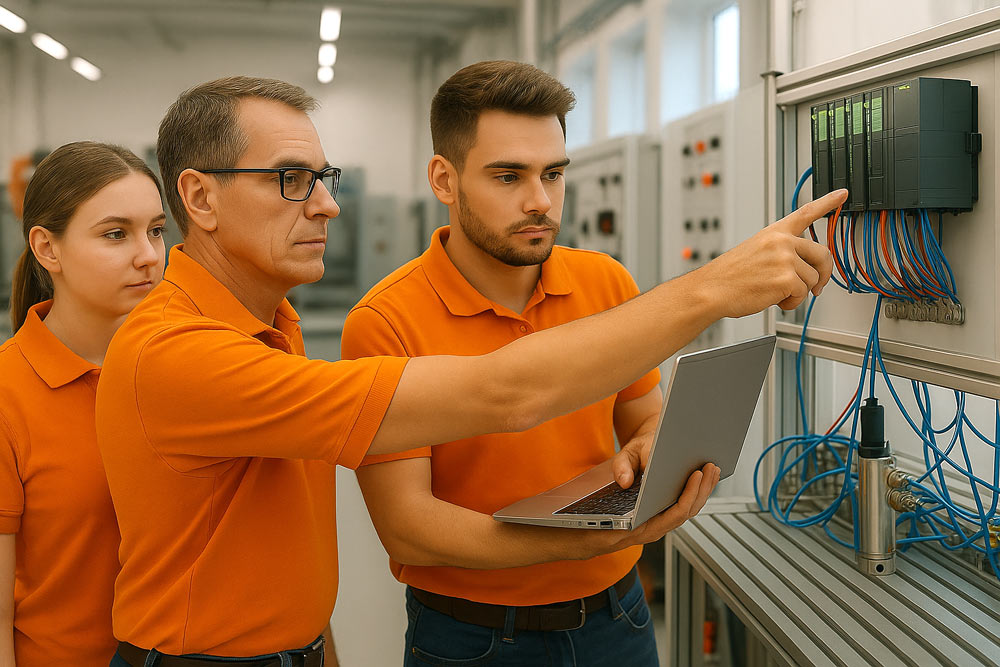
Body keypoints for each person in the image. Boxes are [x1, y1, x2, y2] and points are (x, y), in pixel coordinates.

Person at [96, 75, 844, 665]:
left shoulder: (272, 330)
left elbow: (271, 545)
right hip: (443, 639)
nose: (327, 205)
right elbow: (504, 394)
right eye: (293, 179)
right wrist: (714, 287)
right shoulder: (182, 353)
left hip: (601, 616)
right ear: (198, 196)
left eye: (324, 176)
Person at [339, 59, 672, 665]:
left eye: (553, 173)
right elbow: (406, 525)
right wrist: (564, 547)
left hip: (618, 617)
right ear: (444, 179)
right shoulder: (385, 322)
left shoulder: (606, 282)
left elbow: (646, 417)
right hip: (474, 639)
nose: (540, 201)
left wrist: (652, 449)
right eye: (508, 176)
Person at [0, 142, 166, 666]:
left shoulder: (179, 371)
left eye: (157, 230)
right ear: (48, 249)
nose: (149, 255)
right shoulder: (8, 392)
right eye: (115, 234)